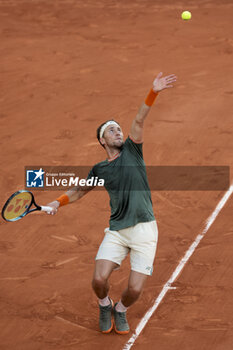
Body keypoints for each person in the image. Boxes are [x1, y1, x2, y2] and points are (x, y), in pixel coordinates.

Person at [47, 72, 177, 334]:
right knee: (98, 279)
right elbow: (80, 191)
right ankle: (105, 304)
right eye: (111, 130)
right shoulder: (99, 169)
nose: (118, 132)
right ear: (102, 141)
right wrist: (57, 203)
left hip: (144, 230)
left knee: (135, 289)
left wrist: (154, 91)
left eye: (118, 129)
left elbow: (139, 119)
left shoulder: (133, 150)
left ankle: (120, 309)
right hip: (117, 230)